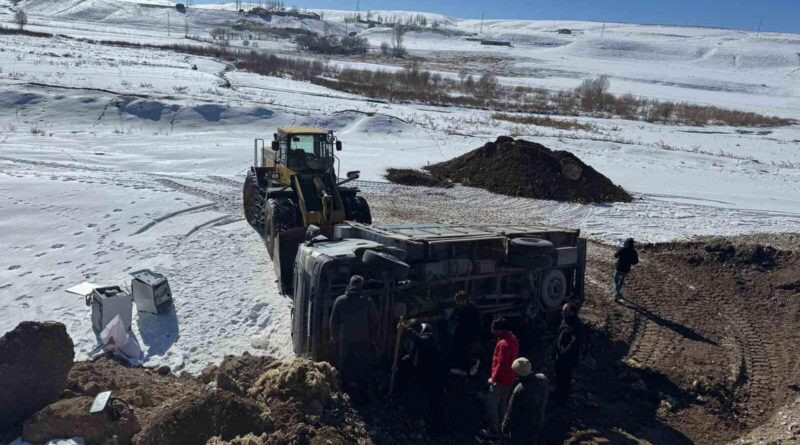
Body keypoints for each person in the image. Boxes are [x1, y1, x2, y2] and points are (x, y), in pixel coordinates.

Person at [330, 275, 378, 403]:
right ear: (361, 286)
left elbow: (333, 321)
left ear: (349, 285)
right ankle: (362, 393)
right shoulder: (367, 300)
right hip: (363, 340)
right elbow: (375, 320)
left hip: (345, 341)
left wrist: (334, 336)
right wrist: (373, 337)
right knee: (363, 366)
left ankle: (345, 392)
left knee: (344, 366)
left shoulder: (340, 300)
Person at [395, 319, 447, 434]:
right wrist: (401, 362)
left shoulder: (429, 336)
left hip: (434, 373)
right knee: (404, 364)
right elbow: (414, 351)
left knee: (434, 400)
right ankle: (398, 393)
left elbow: (419, 342)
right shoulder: (421, 333)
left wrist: (406, 330)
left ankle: (439, 427)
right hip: (422, 367)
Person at [480, 317, 519, 439]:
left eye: (493, 329)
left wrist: (493, 379)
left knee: (491, 404)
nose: (492, 331)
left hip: (500, 380)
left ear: (499, 330)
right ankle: (504, 425)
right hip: (510, 378)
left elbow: (501, 364)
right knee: (503, 401)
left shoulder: (503, 344)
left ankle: (494, 430)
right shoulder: (513, 339)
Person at [502, 357, 549, 445]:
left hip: (522, 427)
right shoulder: (543, 378)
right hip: (539, 421)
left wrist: (505, 427)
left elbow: (512, 412)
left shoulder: (520, 389)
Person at [553, 303, 582, 405]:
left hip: (566, 358)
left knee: (565, 377)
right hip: (559, 356)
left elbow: (574, 342)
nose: (562, 313)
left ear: (572, 312)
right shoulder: (565, 320)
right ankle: (558, 392)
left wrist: (564, 352)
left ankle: (562, 399)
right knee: (559, 376)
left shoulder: (576, 324)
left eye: (565, 311)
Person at [449, 290, 482, 376]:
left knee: (468, 352)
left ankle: (470, 368)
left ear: (464, 300)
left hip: (470, 334)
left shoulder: (473, 309)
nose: (457, 303)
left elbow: (477, 324)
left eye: (458, 301)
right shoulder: (459, 307)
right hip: (461, 332)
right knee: (459, 350)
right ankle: (461, 367)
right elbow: (453, 317)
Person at [613, 237, 639, 302]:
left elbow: (615, 255)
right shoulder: (634, 251)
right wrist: (630, 261)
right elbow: (635, 262)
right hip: (626, 269)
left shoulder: (623, 249)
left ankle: (617, 293)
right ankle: (618, 292)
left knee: (615, 280)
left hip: (619, 267)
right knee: (621, 281)